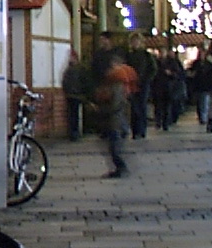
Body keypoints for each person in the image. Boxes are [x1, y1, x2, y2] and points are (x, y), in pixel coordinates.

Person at [96, 50, 135, 179]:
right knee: (114, 146)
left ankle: (121, 168)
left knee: (114, 147)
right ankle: (120, 168)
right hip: (118, 119)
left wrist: (103, 110)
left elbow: (116, 103)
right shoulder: (119, 81)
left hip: (115, 120)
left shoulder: (117, 81)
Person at [127, 33, 157, 140]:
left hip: (143, 84)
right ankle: (135, 130)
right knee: (134, 107)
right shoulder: (129, 56)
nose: (135, 43)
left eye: (137, 41)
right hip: (132, 84)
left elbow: (153, 69)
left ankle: (141, 129)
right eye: (133, 41)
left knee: (141, 106)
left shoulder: (146, 55)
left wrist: (146, 79)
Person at [61, 50, 90, 141]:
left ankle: (74, 133)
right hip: (74, 95)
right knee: (74, 114)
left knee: (73, 114)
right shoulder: (79, 69)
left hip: (74, 95)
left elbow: (65, 82)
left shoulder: (70, 70)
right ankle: (75, 133)